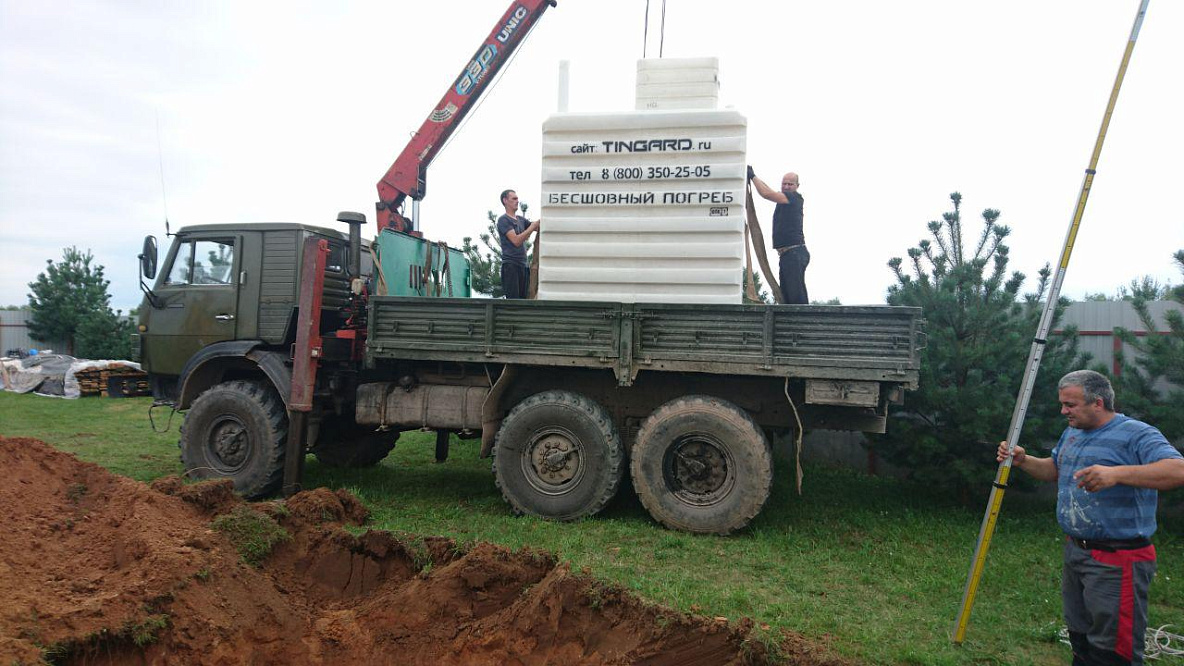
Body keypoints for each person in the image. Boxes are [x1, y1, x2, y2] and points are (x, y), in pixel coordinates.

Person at [997, 369, 1184, 666]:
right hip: (1076, 552)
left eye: (1070, 405)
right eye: (1062, 404)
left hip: (1118, 558)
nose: (1063, 411)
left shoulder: (1137, 433)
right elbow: (1055, 470)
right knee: (1080, 639)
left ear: (1098, 402)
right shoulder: (1072, 433)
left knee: (1113, 649)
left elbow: (1178, 470)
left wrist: (1116, 474)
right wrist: (1023, 460)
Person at [749, 166, 808, 304]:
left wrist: (752, 177)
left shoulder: (794, 198)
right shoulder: (783, 197)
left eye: (790, 184)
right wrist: (755, 176)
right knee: (786, 297)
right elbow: (768, 190)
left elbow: (766, 194)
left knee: (795, 298)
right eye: (784, 183)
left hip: (794, 253)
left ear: (797, 186)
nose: (786, 186)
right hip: (787, 255)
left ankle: (803, 318)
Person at [496, 189, 540, 299]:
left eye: (517, 199)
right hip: (511, 266)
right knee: (513, 302)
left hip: (524, 266)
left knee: (523, 301)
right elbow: (516, 241)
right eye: (514, 198)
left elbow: (536, 227)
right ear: (505, 200)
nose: (517, 201)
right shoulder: (503, 220)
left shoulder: (521, 220)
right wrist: (532, 227)